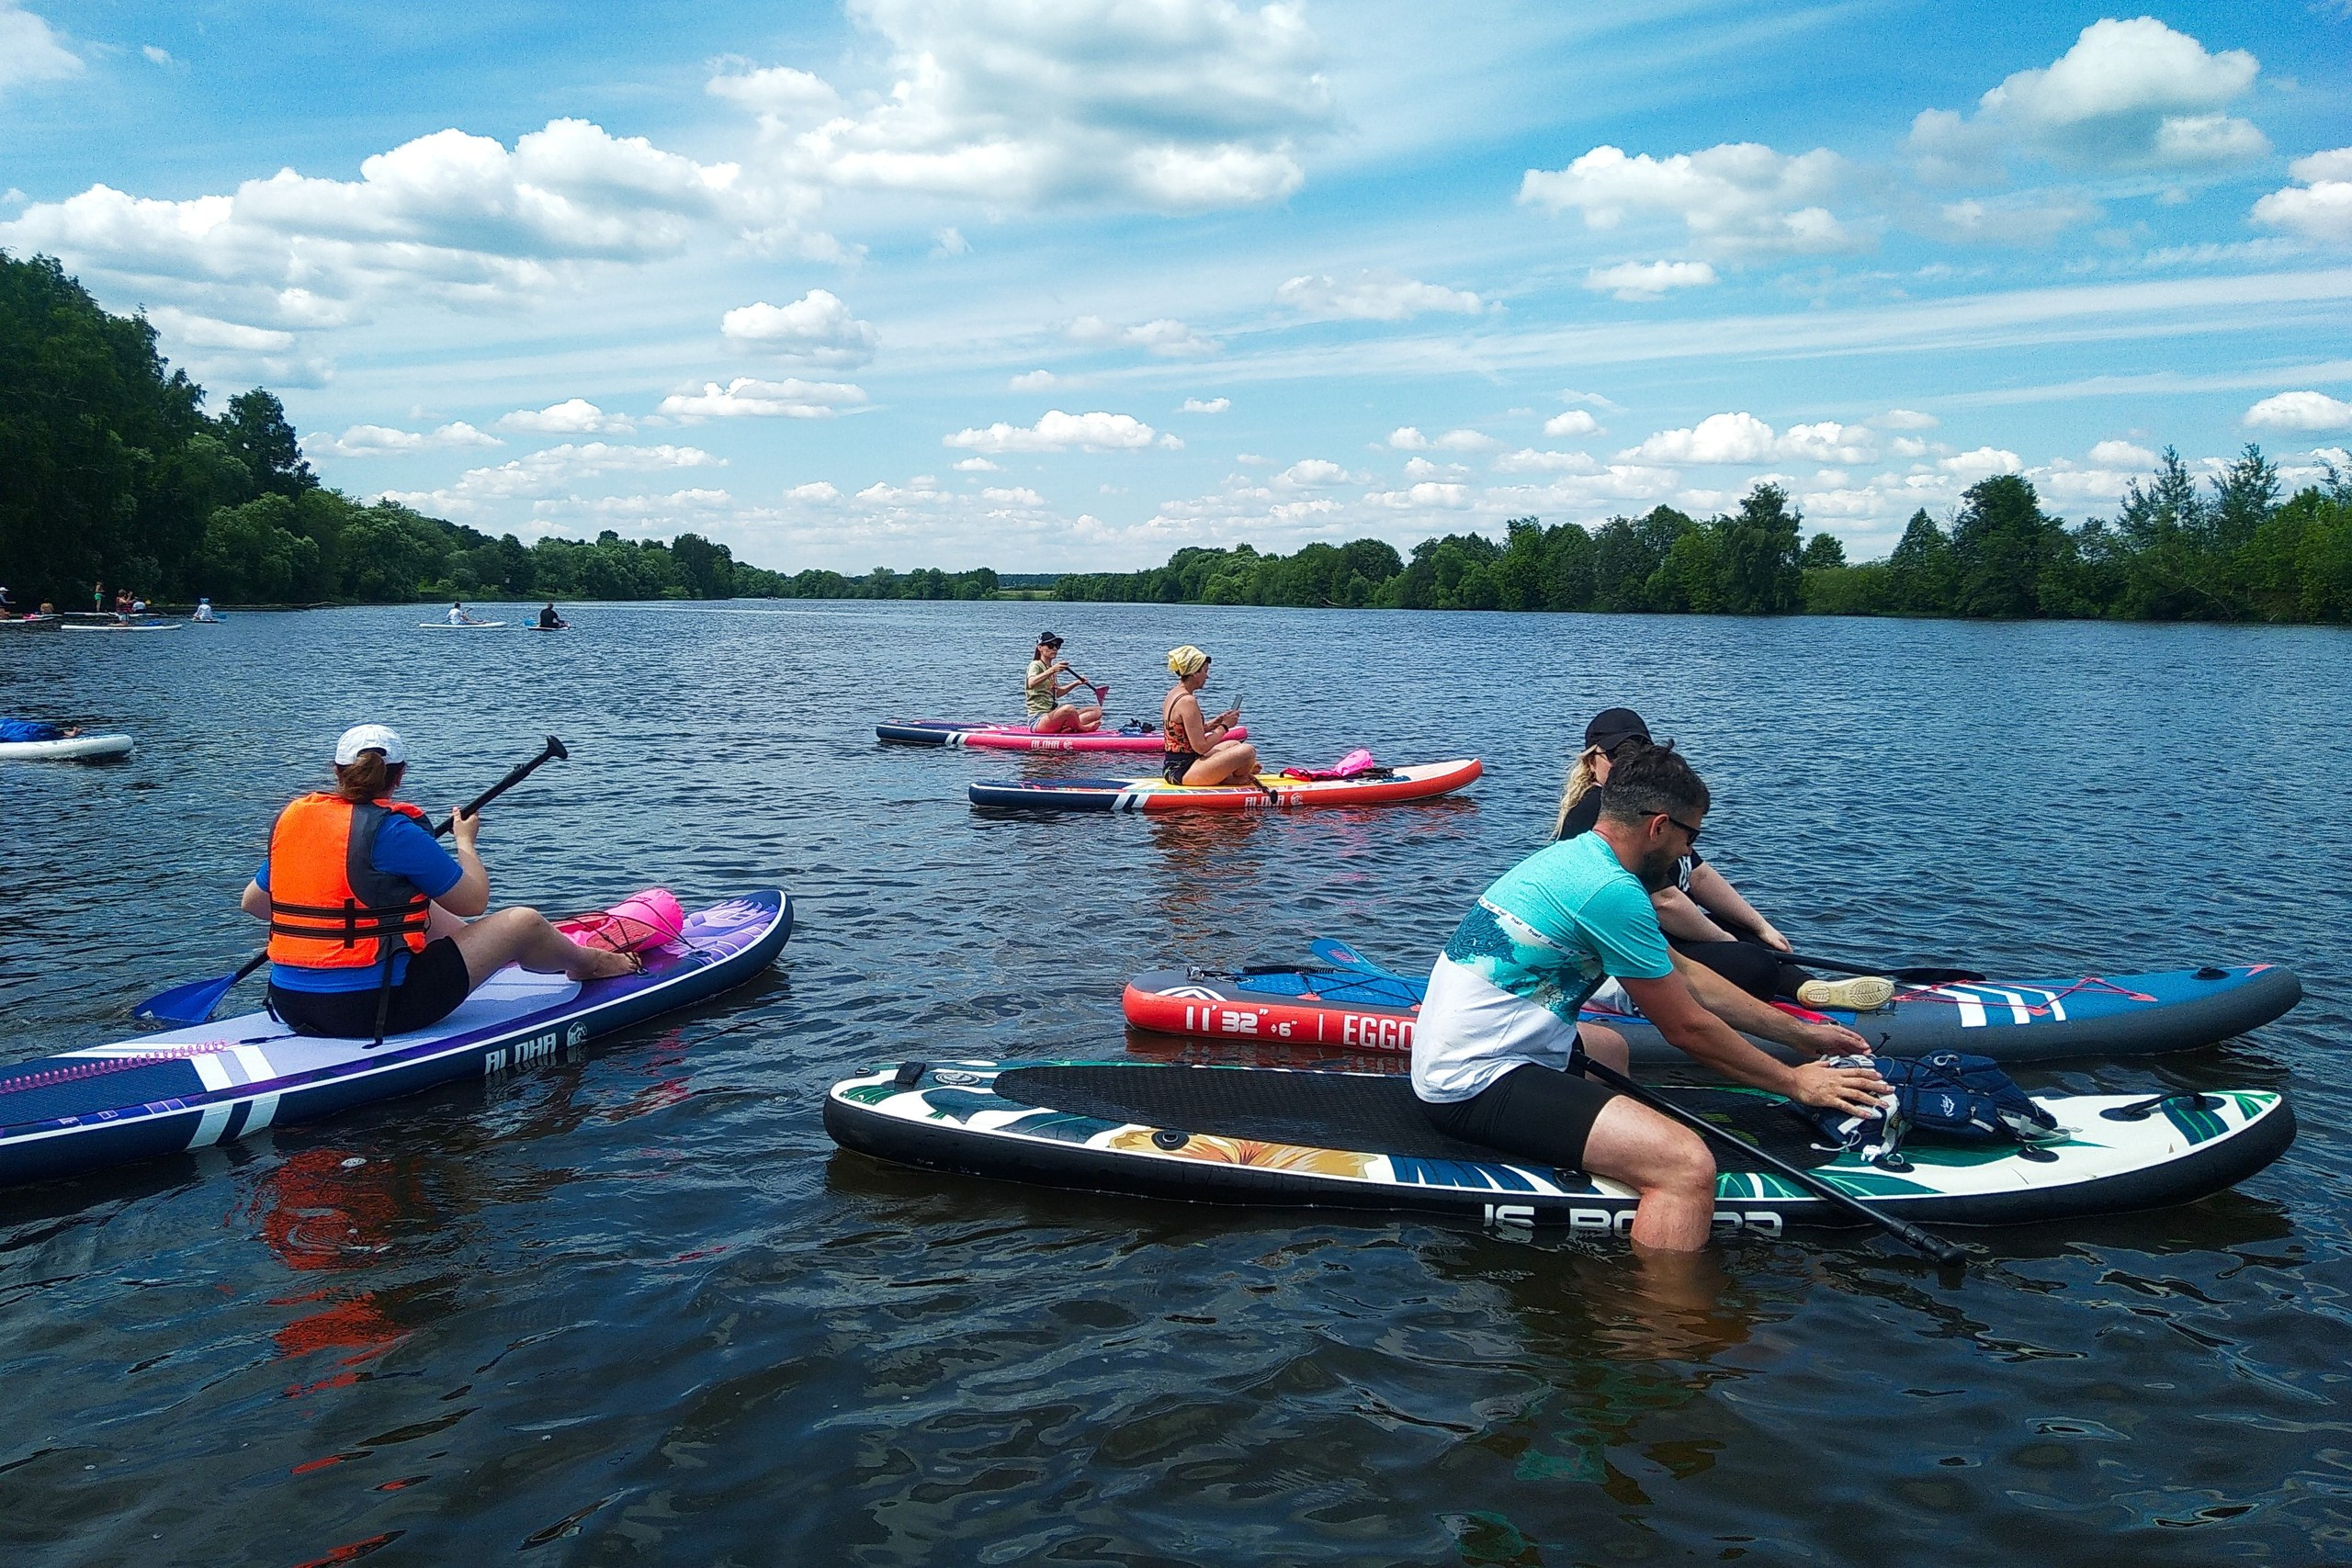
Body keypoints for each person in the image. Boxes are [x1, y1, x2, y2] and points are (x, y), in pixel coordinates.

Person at [1414, 743, 1889, 1253]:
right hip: (1471, 1080)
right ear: (1660, 826)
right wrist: (1796, 1083)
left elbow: (1687, 975)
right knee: (1687, 1165)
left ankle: (1605, 1161)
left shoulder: (1577, 859)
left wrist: (1802, 1034)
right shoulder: (1610, 892)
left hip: (1462, 1047)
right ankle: (1664, 1325)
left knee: (1612, 1051)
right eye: (1692, 836)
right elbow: (1686, 1028)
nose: (1690, 852)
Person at [240, 724, 636, 1043]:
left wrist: (337, 925)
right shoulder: (392, 830)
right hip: (372, 1010)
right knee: (523, 922)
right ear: (399, 775)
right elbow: (474, 900)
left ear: (336, 770)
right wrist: (465, 842)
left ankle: (488, 957)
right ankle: (592, 964)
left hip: (291, 1005)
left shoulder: (294, 822)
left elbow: (255, 903)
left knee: (409, 905)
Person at [1554, 708, 1894, 1012]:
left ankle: (1808, 989)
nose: (1624, 763)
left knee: (1755, 939)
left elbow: (1697, 875)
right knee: (1752, 963)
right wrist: (1725, 942)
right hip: (1636, 941)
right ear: (1590, 759)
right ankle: (1777, 993)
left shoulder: (1646, 806)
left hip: (1671, 931)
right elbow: (1665, 901)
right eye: (1615, 755)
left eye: (1638, 753)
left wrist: (1759, 926)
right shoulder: (1598, 812)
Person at [1159, 645, 1256, 785]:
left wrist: (1214, 724)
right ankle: (1232, 779)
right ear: (1194, 673)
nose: (1207, 676)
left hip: (1175, 766)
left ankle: (1225, 775)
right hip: (1184, 770)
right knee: (1248, 751)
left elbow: (1186, 733)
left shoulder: (1174, 693)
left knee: (1234, 744)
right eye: (1205, 671)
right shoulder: (1188, 701)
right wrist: (1225, 726)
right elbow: (1201, 747)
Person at [1024, 632, 1103, 733]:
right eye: (1050, 645)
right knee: (1069, 709)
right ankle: (1081, 728)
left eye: (1057, 646)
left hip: (1053, 716)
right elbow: (1031, 682)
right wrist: (1053, 670)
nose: (1055, 649)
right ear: (1040, 648)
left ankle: (1068, 728)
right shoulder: (1035, 665)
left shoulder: (1050, 669)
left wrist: (1076, 683)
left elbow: (1056, 693)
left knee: (1096, 711)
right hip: (1038, 720)